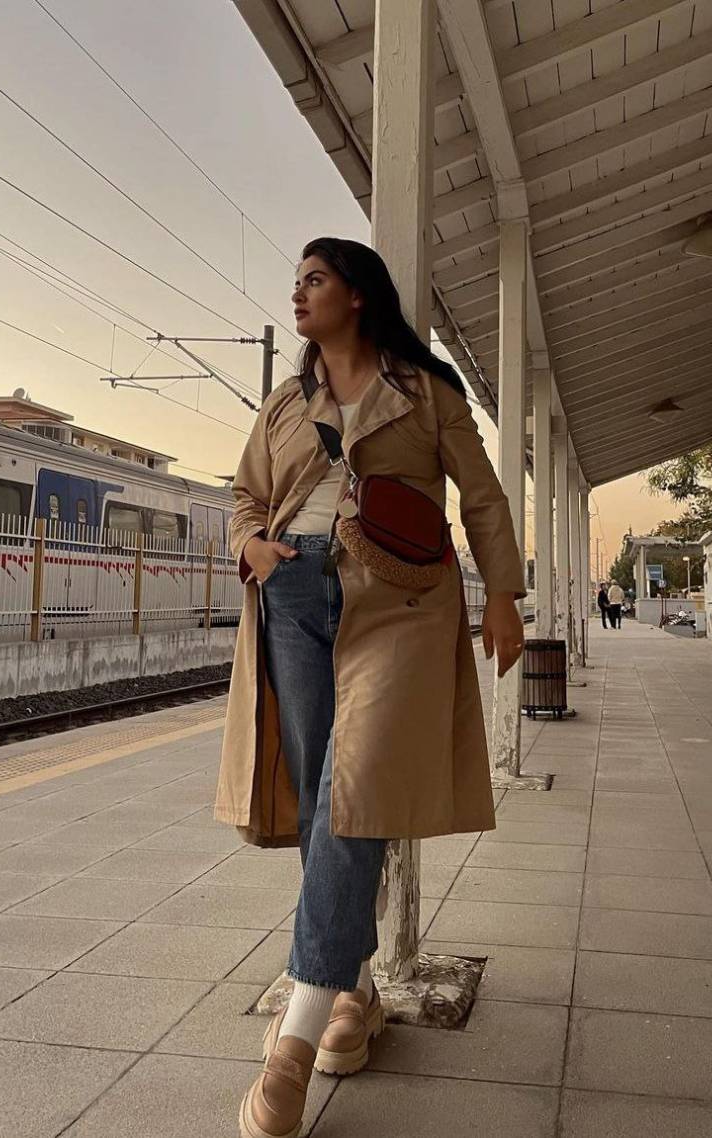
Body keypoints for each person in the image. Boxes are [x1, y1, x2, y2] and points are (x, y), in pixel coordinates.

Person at [216, 237, 526, 1138]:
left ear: (356, 294)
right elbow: (243, 496)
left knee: (355, 799)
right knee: (321, 795)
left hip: (399, 599)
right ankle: (353, 990)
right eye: (298, 281)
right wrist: (253, 549)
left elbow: (484, 497)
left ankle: (297, 1039)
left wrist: (502, 594)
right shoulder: (283, 401)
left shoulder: (426, 391)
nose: (298, 293)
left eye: (314, 279)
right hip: (294, 596)